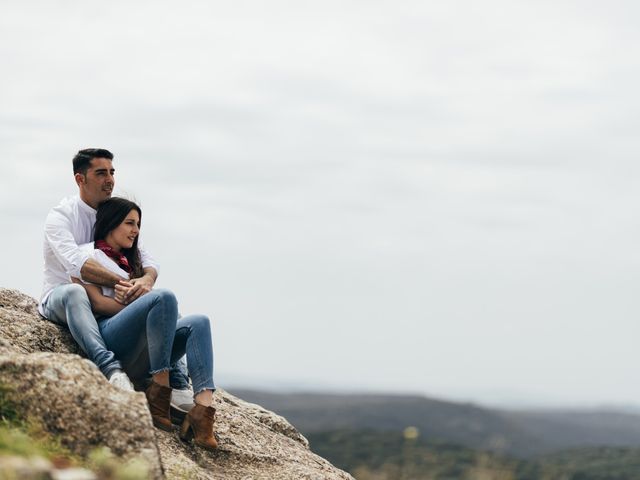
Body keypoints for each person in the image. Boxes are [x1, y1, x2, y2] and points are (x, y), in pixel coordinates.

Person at [39, 148, 193, 413]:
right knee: (76, 294)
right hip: (61, 297)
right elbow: (80, 266)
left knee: (166, 308)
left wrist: (145, 281)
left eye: (112, 172)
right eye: (101, 173)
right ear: (80, 179)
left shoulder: (114, 214)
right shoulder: (61, 217)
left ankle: (178, 383)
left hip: (107, 305)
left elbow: (147, 260)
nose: (110, 179)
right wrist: (125, 283)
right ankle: (111, 370)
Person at [76, 197, 217, 450]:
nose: (136, 230)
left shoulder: (135, 262)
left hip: (147, 350)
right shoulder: (87, 255)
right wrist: (142, 304)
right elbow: (95, 303)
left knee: (199, 322)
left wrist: (147, 291)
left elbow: (154, 276)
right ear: (110, 224)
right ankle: (160, 390)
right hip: (114, 337)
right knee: (164, 297)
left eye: (138, 224)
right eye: (130, 223)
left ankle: (202, 413)